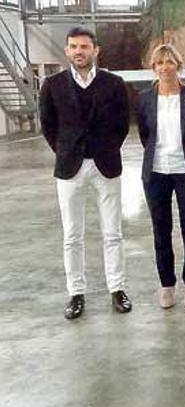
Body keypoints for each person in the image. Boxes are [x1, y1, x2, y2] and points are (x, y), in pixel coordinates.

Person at [39, 27, 131, 320]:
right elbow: (48, 126)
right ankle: (76, 294)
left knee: (112, 232)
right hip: (69, 167)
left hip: (106, 164)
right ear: (67, 51)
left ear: (95, 50)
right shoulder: (52, 85)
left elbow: (122, 124)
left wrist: (104, 148)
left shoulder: (114, 84)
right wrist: (66, 150)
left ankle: (117, 289)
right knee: (72, 235)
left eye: (84, 46)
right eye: (74, 47)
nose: (79, 51)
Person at [136, 44, 185, 309]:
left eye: (170, 62)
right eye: (160, 63)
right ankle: (166, 285)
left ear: (179, 65)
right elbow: (146, 135)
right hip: (156, 172)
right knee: (161, 231)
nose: (165, 67)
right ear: (153, 68)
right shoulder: (145, 98)